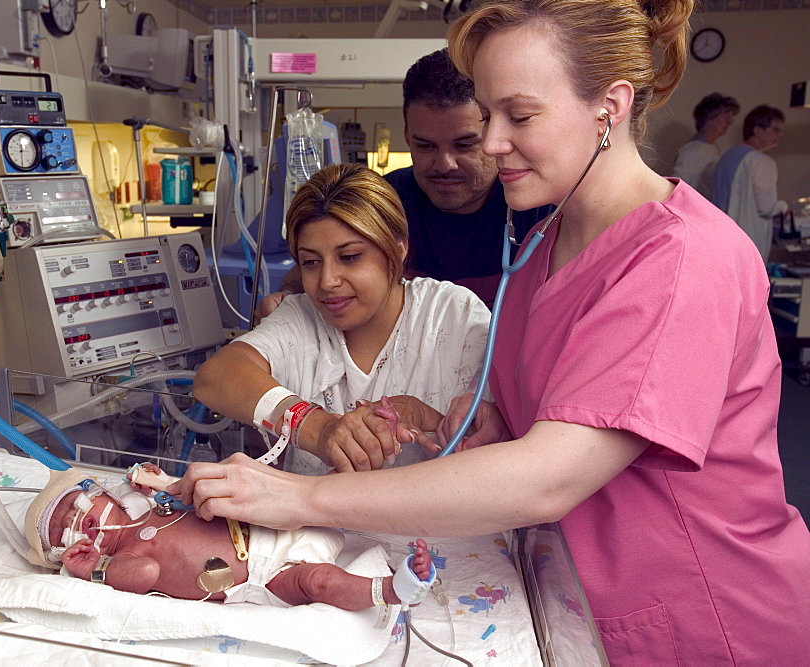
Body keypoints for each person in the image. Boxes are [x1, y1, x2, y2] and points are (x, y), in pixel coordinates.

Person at [174, 1, 810, 664]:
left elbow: (547, 475)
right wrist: (488, 423)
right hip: (581, 603)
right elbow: (536, 413)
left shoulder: (682, 259)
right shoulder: (540, 244)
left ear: (610, 107)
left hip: (701, 617)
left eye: (519, 115)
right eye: (487, 114)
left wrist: (300, 495)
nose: (494, 141)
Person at [195, 163, 491, 475]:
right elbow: (214, 376)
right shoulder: (302, 317)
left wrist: (427, 417)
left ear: (398, 249)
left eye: (349, 257)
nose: (327, 281)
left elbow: (500, 439)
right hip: (315, 523)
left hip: (436, 519)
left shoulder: (452, 315)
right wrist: (317, 428)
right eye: (310, 262)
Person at [255, 49, 551, 321]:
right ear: (407, 134)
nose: (444, 164)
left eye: (464, 145)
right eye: (426, 146)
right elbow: (314, 269)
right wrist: (289, 301)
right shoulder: (382, 202)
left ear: (492, 131)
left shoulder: (538, 207)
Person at [23, 464, 434, 610]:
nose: (79, 520)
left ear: (106, 494)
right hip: (264, 575)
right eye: (64, 529)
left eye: (78, 505)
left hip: (277, 523)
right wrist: (94, 571)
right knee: (319, 582)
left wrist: (159, 483)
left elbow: (197, 490)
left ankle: (386, 457)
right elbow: (147, 573)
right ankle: (396, 590)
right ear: (67, 551)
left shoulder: (156, 507)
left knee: (330, 484)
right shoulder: (125, 559)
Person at [712, 104, 789, 261]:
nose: (780, 134)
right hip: (746, 243)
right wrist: (784, 207)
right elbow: (767, 208)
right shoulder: (761, 161)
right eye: (776, 129)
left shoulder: (726, 157)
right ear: (757, 130)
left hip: (719, 237)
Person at [670, 92, 739, 198]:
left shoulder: (714, 148)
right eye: (726, 117)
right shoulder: (695, 150)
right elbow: (678, 185)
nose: (729, 122)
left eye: (731, 118)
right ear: (710, 117)